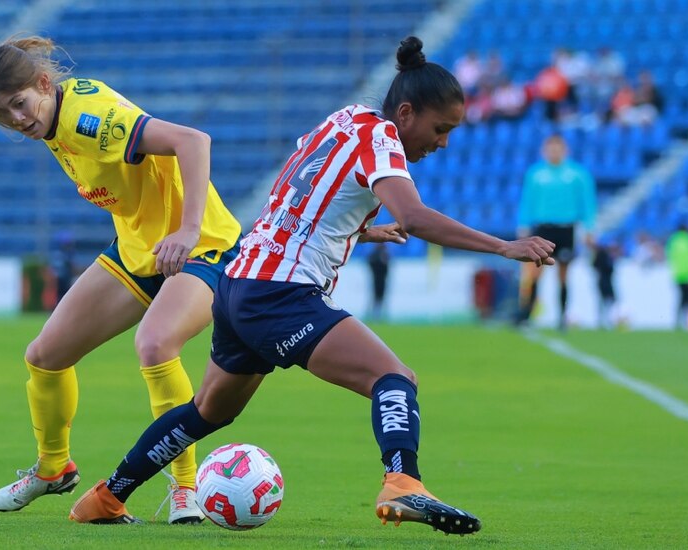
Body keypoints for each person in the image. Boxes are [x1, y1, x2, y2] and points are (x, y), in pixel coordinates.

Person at [66, 36, 555, 534]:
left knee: (207, 411)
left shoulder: (343, 120)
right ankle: (402, 482)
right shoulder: (383, 138)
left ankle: (106, 496)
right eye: (440, 128)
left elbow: (297, 201)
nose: (443, 141)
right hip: (281, 293)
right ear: (405, 113)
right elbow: (416, 216)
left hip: (238, 284)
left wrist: (359, 231)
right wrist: (504, 247)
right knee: (394, 379)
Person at [0, 34, 242, 523]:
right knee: (45, 356)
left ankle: (186, 489)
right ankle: (53, 469)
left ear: (44, 83)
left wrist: (186, 228)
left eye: (19, 103)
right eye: (3, 114)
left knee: (156, 345)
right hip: (140, 251)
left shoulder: (86, 119)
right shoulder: (53, 122)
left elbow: (192, 140)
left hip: (202, 248)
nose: (16, 119)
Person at [515, 134, 597, 331]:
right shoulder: (535, 174)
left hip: (566, 229)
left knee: (563, 274)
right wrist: (523, 224)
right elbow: (527, 201)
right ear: (544, 151)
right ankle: (527, 314)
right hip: (543, 229)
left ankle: (562, 316)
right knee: (535, 272)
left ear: (565, 150)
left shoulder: (577, 174)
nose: (554, 152)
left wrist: (589, 229)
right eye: (550, 149)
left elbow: (588, 203)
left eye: (557, 148)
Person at [666, 224, 688, 330]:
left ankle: (678, 321)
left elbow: (671, 257)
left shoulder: (673, 241)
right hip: (686, 275)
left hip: (677, 275)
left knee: (681, 299)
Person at [366, 242, 391, 320]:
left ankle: (378, 314)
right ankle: (376, 314)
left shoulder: (380, 255)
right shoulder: (380, 255)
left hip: (379, 279)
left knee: (378, 297)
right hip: (378, 279)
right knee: (378, 297)